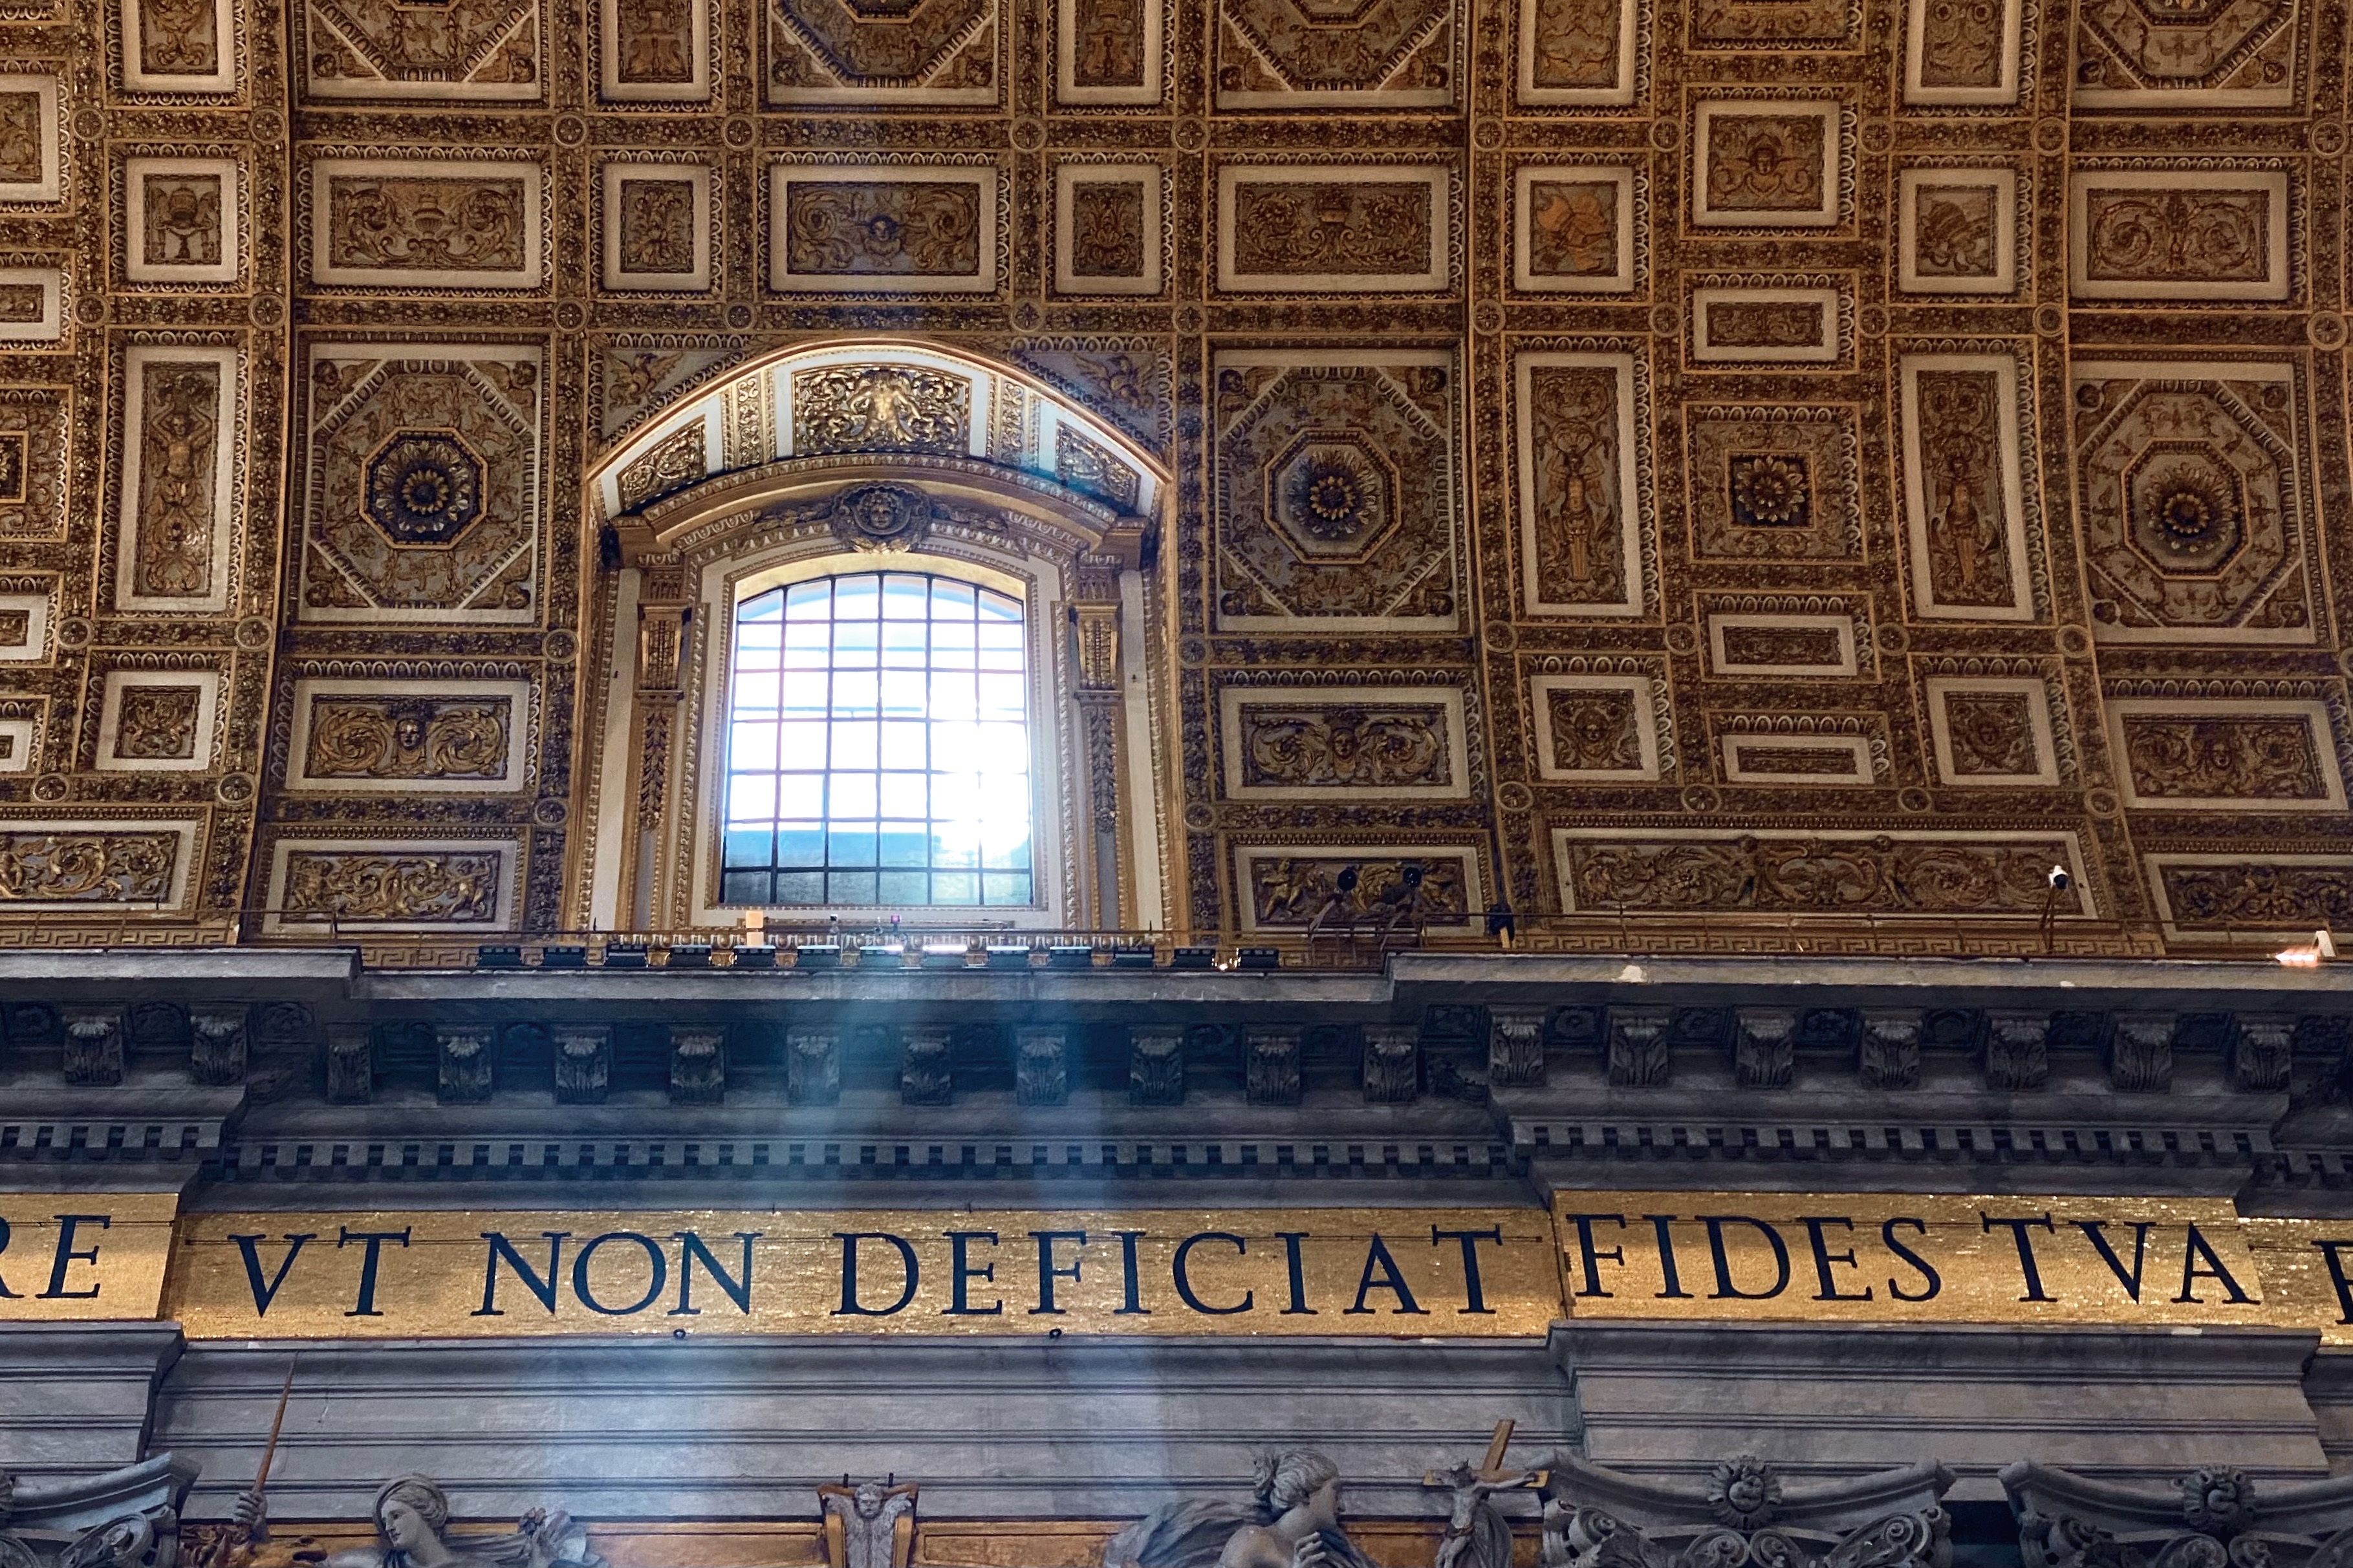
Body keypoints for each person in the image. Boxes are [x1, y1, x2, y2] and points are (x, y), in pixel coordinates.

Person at [233, 1476, 603, 1568]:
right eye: (385, 1521)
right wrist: (260, 1529)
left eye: (397, 1515)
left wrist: (538, 1556)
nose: (390, 1527)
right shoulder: (373, 1562)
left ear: (428, 1513)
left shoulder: (476, 1567)